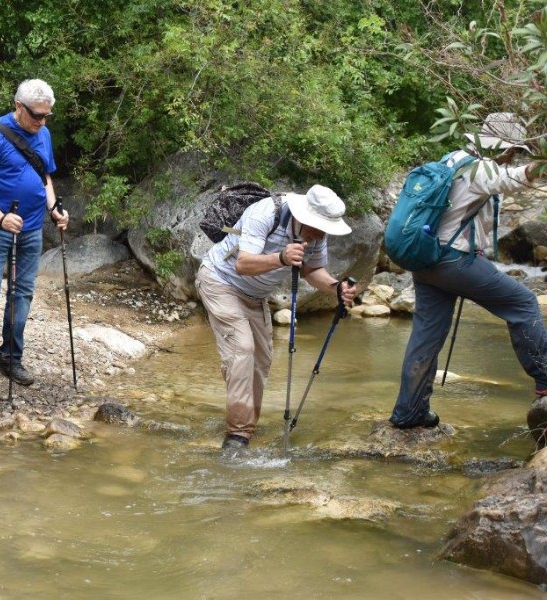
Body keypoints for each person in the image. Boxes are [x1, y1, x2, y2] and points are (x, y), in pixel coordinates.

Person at [388, 113, 547, 449]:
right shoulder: (481, 168)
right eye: (511, 151)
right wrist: (542, 161)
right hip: (455, 261)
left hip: (426, 261)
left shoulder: (452, 159)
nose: (510, 157)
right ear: (503, 148)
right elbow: (514, 180)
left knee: (426, 337)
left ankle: (409, 413)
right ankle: (546, 380)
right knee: (523, 303)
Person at [195, 185, 356, 455]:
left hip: (255, 296)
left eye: (325, 229)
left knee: (262, 358)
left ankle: (246, 424)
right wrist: (281, 257)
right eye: (318, 227)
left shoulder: (317, 235)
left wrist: (336, 287)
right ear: (304, 216)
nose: (320, 234)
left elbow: (312, 270)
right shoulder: (265, 213)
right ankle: (237, 434)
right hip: (220, 281)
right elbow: (243, 264)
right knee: (242, 349)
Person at [0, 79, 68, 394]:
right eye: (36, 115)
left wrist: (55, 209)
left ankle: (10, 357)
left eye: (47, 116)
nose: (42, 122)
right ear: (18, 106)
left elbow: (44, 175)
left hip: (32, 227)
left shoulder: (43, 134)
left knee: (22, 294)